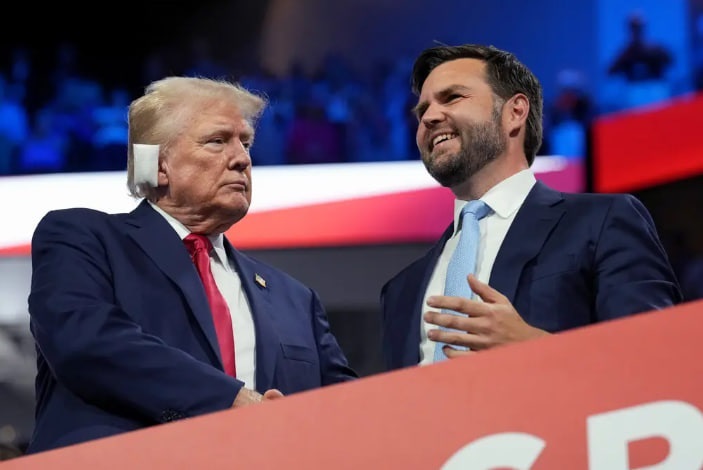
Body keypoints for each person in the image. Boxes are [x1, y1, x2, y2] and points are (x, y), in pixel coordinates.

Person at [26, 76, 357, 453]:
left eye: (246, 143)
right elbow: (86, 343)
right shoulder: (82, 238)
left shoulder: (295, 299)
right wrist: (229, 401)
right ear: (158, 165)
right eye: (217, 141)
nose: (242, 159)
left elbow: (348, 410)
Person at [380, 44, 682, 370]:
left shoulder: (603, 222)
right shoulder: (401, 290)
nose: (429, 118)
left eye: (452, 97)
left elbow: (658, 361)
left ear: (515, 112)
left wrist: (534, 349)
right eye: (421, 111)